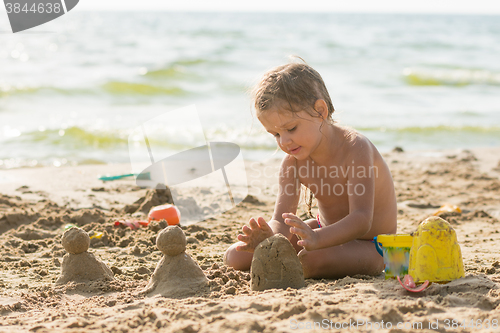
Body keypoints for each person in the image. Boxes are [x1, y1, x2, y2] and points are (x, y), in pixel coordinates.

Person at [224, 60, 397, 279]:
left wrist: (317, 239)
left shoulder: (355, 148)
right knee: (235, 256)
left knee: (309, 260)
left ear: (320, 111)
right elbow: (281, 221)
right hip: (321, 232)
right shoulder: (293, 163)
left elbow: (362, 220)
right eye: (276, 134)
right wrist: (269, 237)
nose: (284, 141)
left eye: (291, 129)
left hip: (372, 245)